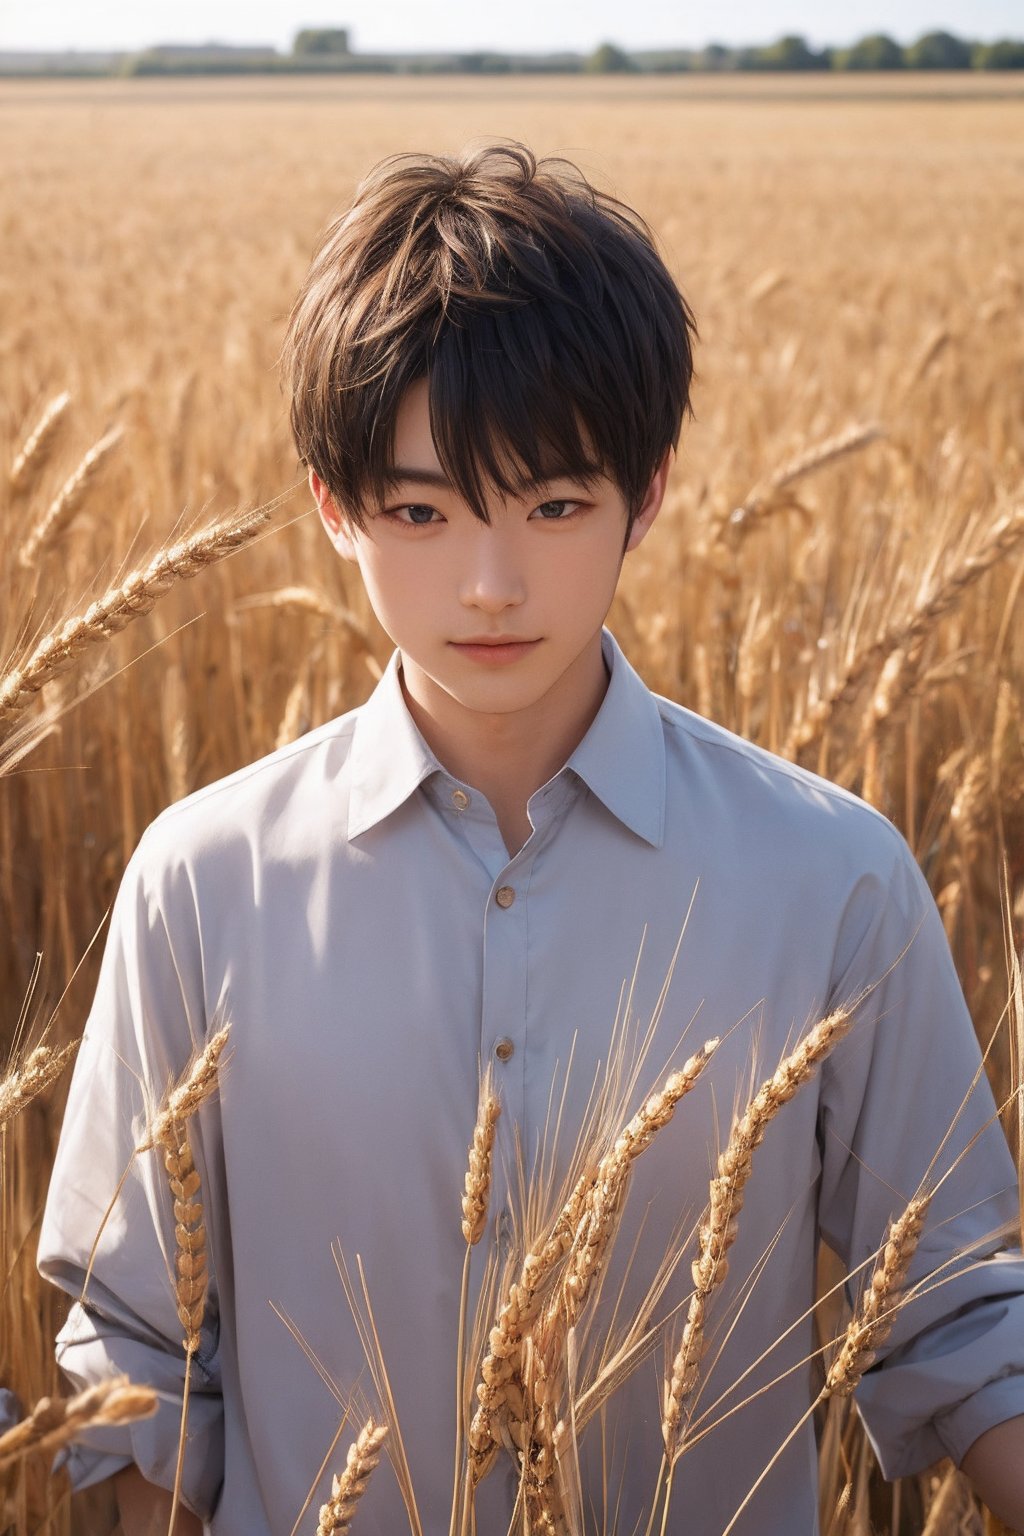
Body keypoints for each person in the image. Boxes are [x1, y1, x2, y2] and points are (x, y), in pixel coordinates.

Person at [38, 141, 1024, 1536]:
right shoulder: (202, 884)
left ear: (652, 492)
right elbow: (143, 1369)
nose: (491, 585)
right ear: (335, 507)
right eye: (422, 512)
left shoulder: (837, 880)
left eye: (556, 506)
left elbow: (963, 1324)